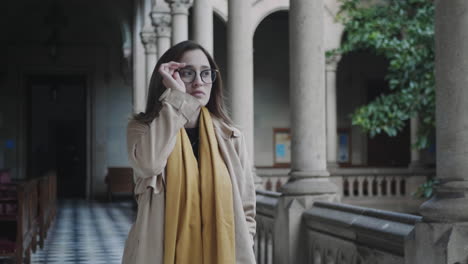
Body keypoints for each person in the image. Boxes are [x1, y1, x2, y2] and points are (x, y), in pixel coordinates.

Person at [122, 40, 256, 264]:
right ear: (168, 79)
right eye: (187, 73)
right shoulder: (142, 129)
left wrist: (245, 241)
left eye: (206, 73)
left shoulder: (231, 137)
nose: (198, 82)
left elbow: (247, 207)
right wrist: (176, 100)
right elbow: (149, 164)